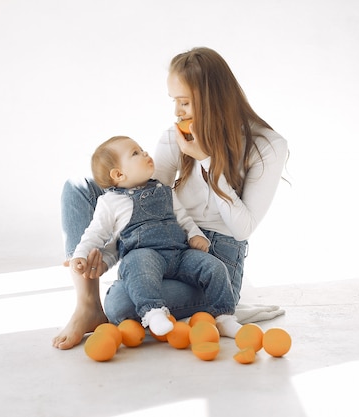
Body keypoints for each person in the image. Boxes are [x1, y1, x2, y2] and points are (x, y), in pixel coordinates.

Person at [53, 47, 288, 350]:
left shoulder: (267, 145)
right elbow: (147, 205)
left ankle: (164, 299)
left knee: (122, 305)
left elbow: (242, 228)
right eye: (174, 101)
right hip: (165, 243)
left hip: (216, 258)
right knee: (78, 186)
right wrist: (106, 252)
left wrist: (206, 161)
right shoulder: (174, 137)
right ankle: (87, 304)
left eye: (185, 102)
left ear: (213, 100)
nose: (177, 112)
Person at [68, 135, 240, 337]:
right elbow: (94, 233)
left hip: (179, 254)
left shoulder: (164, 190)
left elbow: (183, 219)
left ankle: (224, 316)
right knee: (139, 268)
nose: (145, 153)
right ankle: (153, 312)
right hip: (144, 256)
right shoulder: (111, 202)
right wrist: (79, 255)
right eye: (135, 153)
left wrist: (195, 235)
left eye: (141, 149)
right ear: (119, 174)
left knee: (214, 267)